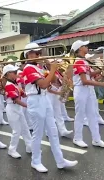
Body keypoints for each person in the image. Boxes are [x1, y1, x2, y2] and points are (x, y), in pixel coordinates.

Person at [22, 42, 78, 173]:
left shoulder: (38, 68)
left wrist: (55, 69)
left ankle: (60, 161)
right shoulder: (28, 68)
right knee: (38, 134)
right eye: (35, 53)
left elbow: (50, 83)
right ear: (28, 55)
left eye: (38, 53)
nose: (38, 55)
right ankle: (35, 161)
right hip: (35, 100)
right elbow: (42, 84)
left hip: (44, 98)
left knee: (53, 132)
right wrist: (52, 68)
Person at [71, 40, 104, 148]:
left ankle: (96, 139)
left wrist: (101, 70)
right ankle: (77, 138)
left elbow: (89, 75)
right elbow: (84, 80)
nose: (87, 47)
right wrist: (102, 84)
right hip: (81, 89)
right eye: (85, 46)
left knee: (92, 115)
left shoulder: (84, 61)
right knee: (80, 115)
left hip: (87, 89)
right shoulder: (79, 61)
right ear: (80, 48)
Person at [2, 64, 32, 158]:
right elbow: (16, 100)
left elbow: (23, 95)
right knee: (17, 130)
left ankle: (30, 146)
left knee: (25, 128)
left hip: (17, 108)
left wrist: (34, 92)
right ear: (8, 74)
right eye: (14, 72)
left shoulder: (14, 84)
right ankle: (12, 149)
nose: (16, 74)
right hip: (12, 108)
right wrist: (29, 106)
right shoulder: (9, 85)